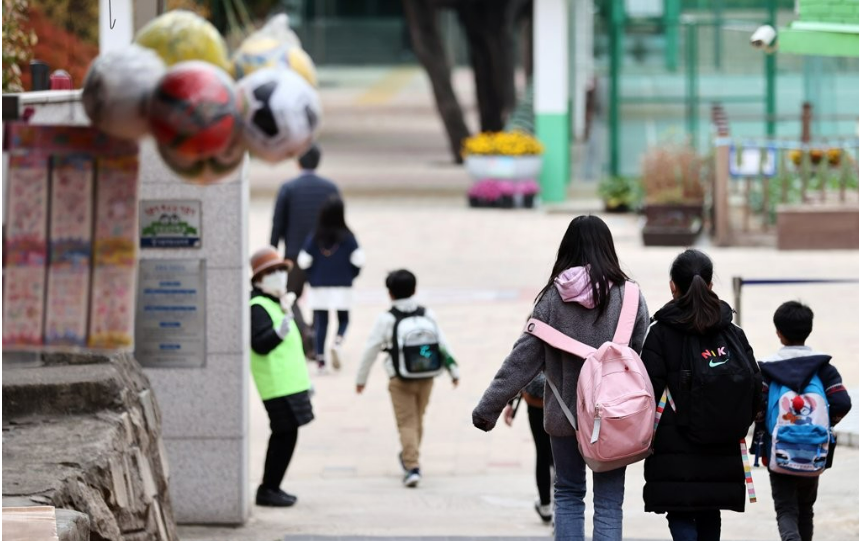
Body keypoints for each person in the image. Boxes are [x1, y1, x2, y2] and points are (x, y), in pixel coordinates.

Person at [472, 215, 649, 541]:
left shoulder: (551, 301)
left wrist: (487, 409)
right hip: (614, 419)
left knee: (567, 493)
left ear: (566, 249)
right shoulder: (631, 298)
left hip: (563, 418)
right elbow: (638, 356)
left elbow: (521, 361)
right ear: (608, 248)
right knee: (609, 502)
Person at [640, 249, 762, 541]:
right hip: (723, 443)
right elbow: (755, 385)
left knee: (681, 512)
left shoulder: (660, 332)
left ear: (673, 285)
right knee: (710, 511)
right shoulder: (731, 330)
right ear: (710, 285)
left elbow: (647, 393)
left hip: (675, 443)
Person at [755, 301, 852, 541]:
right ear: (809, 330)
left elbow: (757, 405)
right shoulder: (824, 368)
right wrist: (824, 425)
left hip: (778, 450)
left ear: (778, 332)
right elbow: (842, 402)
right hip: (814, 450)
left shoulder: (767, 369)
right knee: (806, 509)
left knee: (786, 508)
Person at [356, 269, 460, 488]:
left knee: (406, 422)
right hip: (427, 376)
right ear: (414, 290)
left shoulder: (386, 319)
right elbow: (442, 343)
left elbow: (370, 349)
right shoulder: (427, 314)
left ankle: (412, 466)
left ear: (390, 293)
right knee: (417, 419)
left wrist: (361, 379)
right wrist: (454, 371)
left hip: (400, 379)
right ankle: (409, 456)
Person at [248, 246, 314, 507]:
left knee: (288, 434)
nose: (278, 276)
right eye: (271, 272)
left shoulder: (279, 302)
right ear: (259, 279)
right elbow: (260, 344)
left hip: (291, 383)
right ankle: (268, 488)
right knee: (283, 435)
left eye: (280, 271)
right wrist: (278, 333)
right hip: (276, 385)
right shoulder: (258, 306)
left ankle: (273, 487)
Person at [270, 144, 341, 354]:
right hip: (325, 254)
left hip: (294, 253)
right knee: (321, 298)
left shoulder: (288, 188)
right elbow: (338, 223)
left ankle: (303, 332)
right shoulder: (330, 188)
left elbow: (278, 223)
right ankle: (316, 337)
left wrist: (273, 251)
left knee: (289, 296)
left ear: (298, 162)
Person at [297, 196, 364, 372]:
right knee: (343, 319)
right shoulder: (348, 237)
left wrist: (312, 276)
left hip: (319, 285)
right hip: (343, 285)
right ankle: (337, 341)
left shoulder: (315, 236)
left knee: (321, 322)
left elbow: (303, 261)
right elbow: (359, 260)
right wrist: (351, 275)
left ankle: (320, 360)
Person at [502, 373, 554, 524]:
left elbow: (519, 364)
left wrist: (510, 402)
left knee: (543, 453)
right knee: (561, 454)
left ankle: (545, 506)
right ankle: (560, 508)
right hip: (564, 399)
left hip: (537, 401)